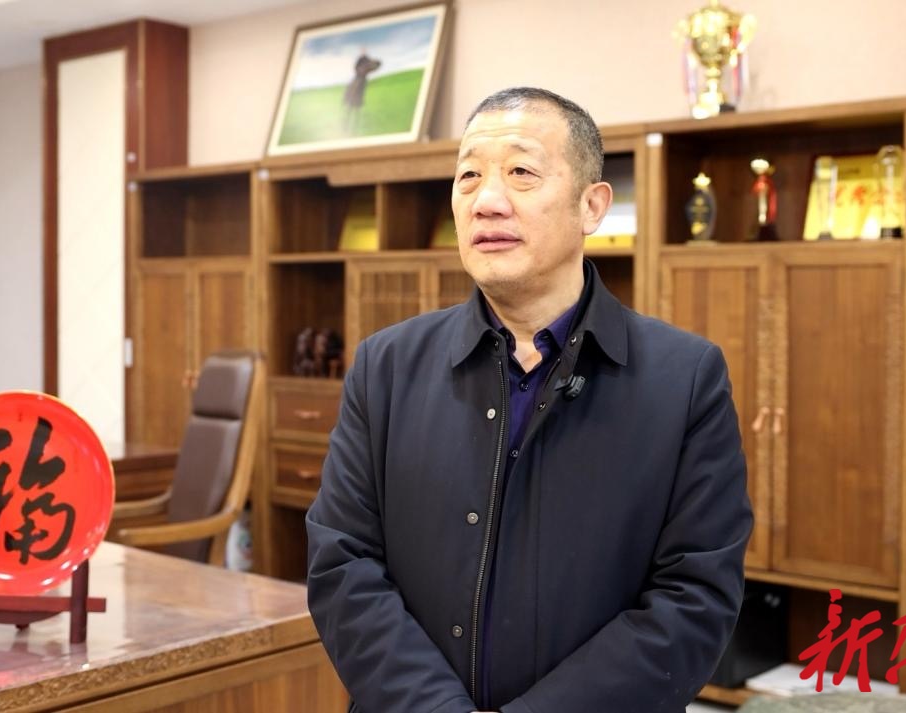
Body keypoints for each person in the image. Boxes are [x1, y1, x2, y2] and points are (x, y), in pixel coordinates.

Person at [307, 86, 752, 713]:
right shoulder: (387, 366)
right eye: (468, 176)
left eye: (521, 172)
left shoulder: (685, 379)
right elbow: (343, 565)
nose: (486, 201)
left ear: (592, 206)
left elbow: (693, 598)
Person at [343, 48, 381, 135]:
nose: (363, 51)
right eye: (362, 50)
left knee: (357, 107)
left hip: (362, 82)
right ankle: (346, 124)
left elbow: (376, 65)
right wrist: (361, 71)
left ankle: (355, 127)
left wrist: (367, 69)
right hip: (357, 80)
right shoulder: (360, 60)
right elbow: (355, 68)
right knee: (350, 105)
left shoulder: (367, 60)